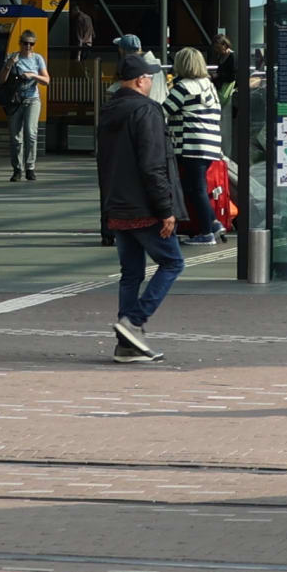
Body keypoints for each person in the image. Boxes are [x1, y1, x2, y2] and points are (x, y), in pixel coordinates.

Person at [100, 46, 186, 359]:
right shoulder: (146, 111)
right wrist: (166, 209)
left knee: (131, 273)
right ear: (139, 81)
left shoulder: (109, 111)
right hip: (145, 207)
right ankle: (134, 322)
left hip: (117, 207)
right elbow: (153, 164)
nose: (151, 82)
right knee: (173, 262)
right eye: (149, 77)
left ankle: (126, 347)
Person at [165, 47, 228, 241]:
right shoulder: (208, 86)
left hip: (190, 145)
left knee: (196, 188)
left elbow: (163, 111)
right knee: (194, 187)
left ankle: (206, 233)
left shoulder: (183, 87)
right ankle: (213, 223)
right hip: (210, 145)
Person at [1, 32, 49, 182]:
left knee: (31, 132)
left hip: (32, 99)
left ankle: (30, 167)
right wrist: (9, 65)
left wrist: (32, 76)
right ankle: (17, 168)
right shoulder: (12, 57)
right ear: (19, 43)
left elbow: (46, 80)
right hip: (15, 101)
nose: (28, 46)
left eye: (31, 44)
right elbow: (1, 80)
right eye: (25, 43)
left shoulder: (37, 59)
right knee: (16, 137)